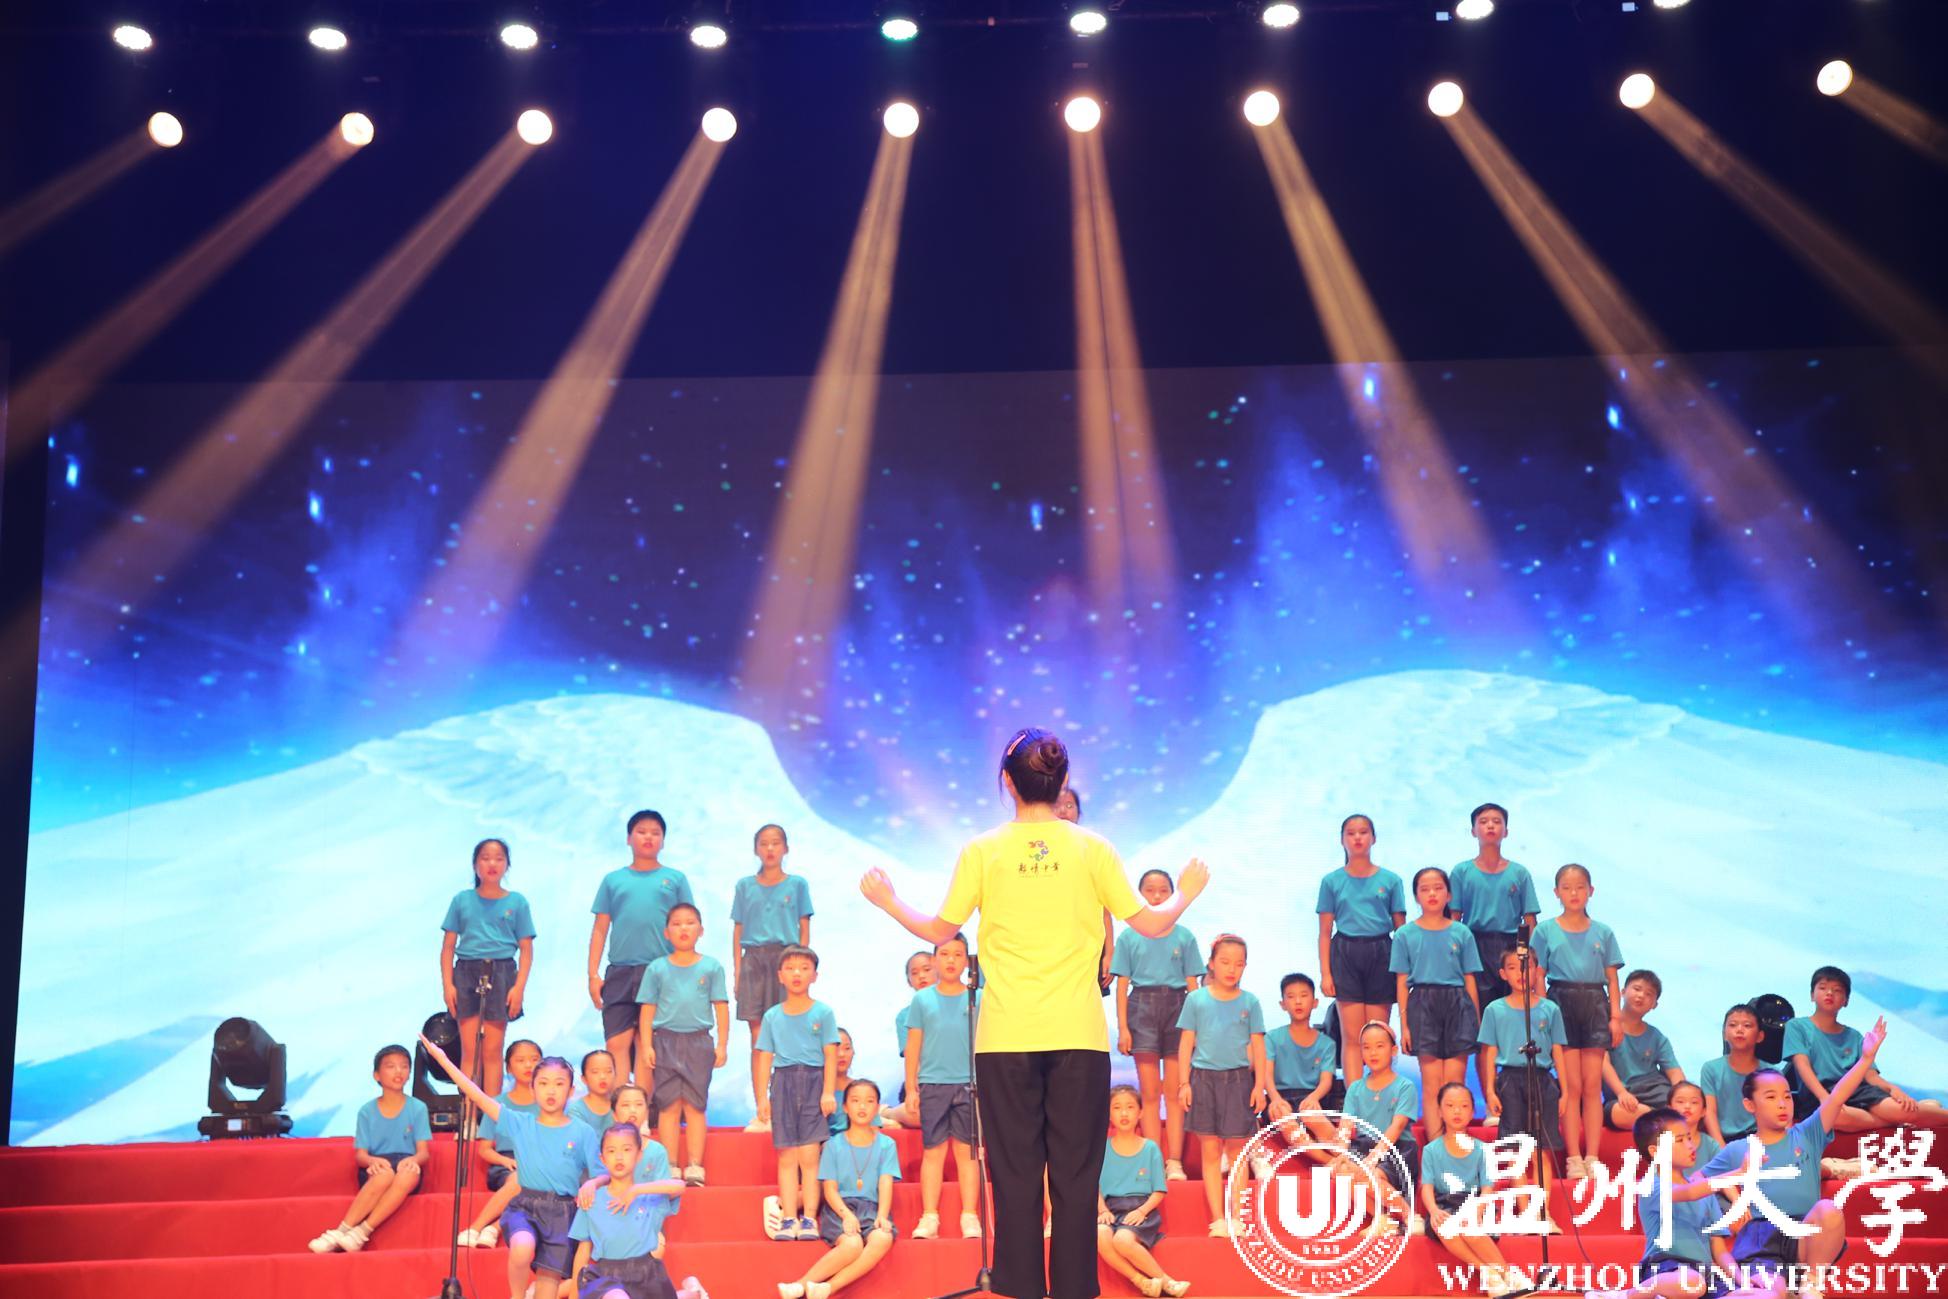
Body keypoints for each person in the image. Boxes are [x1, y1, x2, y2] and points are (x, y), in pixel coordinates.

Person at [859, 725, 1210, 1299]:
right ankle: (1072, 1288)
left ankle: (1019, 1286)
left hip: (1006, 1038)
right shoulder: (1092, 848)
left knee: (1016, 1175)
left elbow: (940, 929)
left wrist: (887, 899)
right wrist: (1187, 890)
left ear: (1007, 781)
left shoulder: (983, 849)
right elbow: (1149, 923)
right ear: (1062, 779)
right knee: (1076, 1176)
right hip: (1078, 1037)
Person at [1668, 1019, 1891, 1298]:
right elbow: (1698, 1179)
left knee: (1829, 1210)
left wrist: (1865, 1060)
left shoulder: (1807, 1134)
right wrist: (1732, 1201)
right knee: (1770, 1292)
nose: (1783, 1104)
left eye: (1787, 1096)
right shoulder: (1738, 1149)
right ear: (1750, 1105)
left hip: (1803, 1235)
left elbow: (1835, 1098)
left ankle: (1810, 1283)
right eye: (1771, 1097)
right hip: (1761, 1239)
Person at [422, 1035, 602, 1299]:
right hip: (525, 1206)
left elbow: (602, 1174)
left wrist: (592, 1183)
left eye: (559, 1084)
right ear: (533, 1089)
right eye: (543, 1083)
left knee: (548, 1285)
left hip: (563, 1212)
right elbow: (477, 1095)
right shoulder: (520, 1123)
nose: (551, 1091)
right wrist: (443, 1060)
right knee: (522, 1248)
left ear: (571, 1090)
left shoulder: (583, 1131)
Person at [1583, 1107, 1750, 1299]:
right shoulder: (1651, 1185)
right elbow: (1689, 1193)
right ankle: (1626, 1295)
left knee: (1758, 1295)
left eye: (1689, 1138)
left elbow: (1719, 1250)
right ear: (1655, 1151)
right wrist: (1739, 1173)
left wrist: (1743, 1282)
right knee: (1691, 1283)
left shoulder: (1705, 1192)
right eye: (1680, 1140)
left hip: (1704, 1274)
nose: (1690, 1146)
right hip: (1664, 1267)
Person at [1530, 863, 1623, 1180]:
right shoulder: (1545, 931)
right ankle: (1573, 1157)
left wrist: (1615, 1017)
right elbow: (1538, 975)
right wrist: (1543, 1012)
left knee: (1592, 1086)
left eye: (1580, 887)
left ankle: (1592, 1156)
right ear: (1556, 892)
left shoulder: (1603, 932)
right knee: (1571, 1086)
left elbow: (1612, 978)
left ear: (1591, 891)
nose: (1574, 893)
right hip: (1560, 1002)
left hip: (1595, 1003)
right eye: (1567, 888)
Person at [590, 810, 696, 1086]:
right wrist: (592, 974)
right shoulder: (613, 880)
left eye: (655, 833)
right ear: (629, 838)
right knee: (616, 1042)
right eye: (641, 831)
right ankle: (621, 1108)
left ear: (663, 841)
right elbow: (600, 928)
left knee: (647, 1044)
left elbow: (688, 926)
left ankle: (643, 1109)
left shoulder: (675, 879)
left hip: (661, 971)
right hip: (620, 970)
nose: (648, 837)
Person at [1110, 868, 1202, 1181]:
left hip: (1178, 1007)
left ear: (1173, 895)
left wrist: (1196, 1028)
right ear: (1139, 896)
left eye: (1164, 890)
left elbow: (1193, 986)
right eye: (1150, 890)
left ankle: (1174, 1162)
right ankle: (1153, 1162)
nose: (1157, 896)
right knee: (1150, 1093)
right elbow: (1122, 985)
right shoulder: (1129, 936)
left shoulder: (1184, 936)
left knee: (1175, 1092)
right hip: (1142, 1008)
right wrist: (1123, 1028)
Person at [1175, 933, 1268, 1237]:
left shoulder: (1250, 1002)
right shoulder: (1196, 1000)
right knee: (1211, 1151)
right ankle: (1218, 1219)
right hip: (1203, 1080)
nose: (1232, 969)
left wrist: (1259, 1086)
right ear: (1212, 964)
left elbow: (1259, 1047)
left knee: (1238, 1151)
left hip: (1238, 1080)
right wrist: (1184, 1083)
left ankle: (1237, 1217)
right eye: (1225, 962)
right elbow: (1186, 1044)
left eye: (1239, 964)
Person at [1785, 965, 1948, 1133]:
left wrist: (1893, 1089)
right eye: (1823, 988)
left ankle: (1910, 1116)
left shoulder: (1854, 1036)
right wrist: (1824, 1098)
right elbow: (1802, 1066)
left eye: (1837, 990)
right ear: (1812, 995)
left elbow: (1870, 1076)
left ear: (1846, 1001)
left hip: (1858, 1091)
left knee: (1901, 1110)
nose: (1829, 993)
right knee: (1832, 1115)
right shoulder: (1797, 1027)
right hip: (1818, 1094)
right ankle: (1896, 1121)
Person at [777, 1079, 901, 1299]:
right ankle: (801, 1284)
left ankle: (827, 1288)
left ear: (877, 1107)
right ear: (845, 1107)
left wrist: (882, 1215)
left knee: (882, 1237)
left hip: (872, 1208)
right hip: (839, 1208)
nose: (862, 1106)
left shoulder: (887, 1145)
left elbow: (885, 1182)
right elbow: (830, 1188)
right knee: (852, 1244)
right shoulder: (833, 1145)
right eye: (855, 1100)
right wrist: (846, 1215)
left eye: (869, 1101)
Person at [638, 901, 730, 1185]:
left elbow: (721, 1006)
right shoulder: (657, 968)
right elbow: (648, 1009)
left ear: (701, 930)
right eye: (676, 924)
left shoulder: (711, 967)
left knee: (695, 1105)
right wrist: (647, 1045)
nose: (683, 929)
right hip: (665, 1040)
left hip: (698, 1042)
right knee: (668, 1105)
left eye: (690, 923)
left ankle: (694, 1166)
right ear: (666, 932)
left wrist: (722, 1044)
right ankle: (670, 1165)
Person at [1477, 944, 1565, 1231]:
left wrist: (1564, 1090)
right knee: (1517, 1150)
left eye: (1526, 967)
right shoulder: (1494, 1010)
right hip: (1510, 1080)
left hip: (1542, 1079)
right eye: (1512, 968)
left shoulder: (1550, 1009)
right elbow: (1489, 1052)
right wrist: (1490, 1091)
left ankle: (1543, 1212)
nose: (1520, 973)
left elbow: (1558, 1050)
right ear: (1503, 973)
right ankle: (1526, 1212)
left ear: (1537, 970)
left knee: (1541, 1150)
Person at [308, 1045, 431, 1253]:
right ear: (377, 1075)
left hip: (406, 1164)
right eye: (390, 1066)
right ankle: (340, 1231)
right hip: (377, 1166)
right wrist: (372, 1161)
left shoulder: (418, 1107)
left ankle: (361, 1232)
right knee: (384, 1175)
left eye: (404, 1066)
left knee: (407, 1175)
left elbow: (423, 1152)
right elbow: (361, 1155)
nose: (398, 1071)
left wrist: (413, 1160)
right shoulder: (367, 1111)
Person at [755, 944, 841, 1241]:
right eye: (790, 968)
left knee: (809, 1156)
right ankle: (789, 1217)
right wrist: (761, 1098)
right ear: (780, 975)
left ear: (814, 975)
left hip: (814, 1082)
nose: (797, 974)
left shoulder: (823, 1012)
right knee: (787, 1156)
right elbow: (764, 1057)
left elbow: (830, 1054)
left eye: (804, 968)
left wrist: (828, 1092)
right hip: (783, 1083)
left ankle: (809, 1219)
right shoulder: (772, 1016)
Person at [1391, 866, 1482, 1143]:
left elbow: (1469, 978)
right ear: (1416, 897)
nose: (1432, 894)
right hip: (1422, 1005)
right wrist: (1405, 1026)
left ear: (1449, 895)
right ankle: (1435, 1150)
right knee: (1431, 1085)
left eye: (1438, 888)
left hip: (1457, 1004)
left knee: (1455, 1084)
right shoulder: (1405, 934)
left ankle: (1456, 1147)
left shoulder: (1462, 933)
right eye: (1425, 889)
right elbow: (1402, 982)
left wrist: (1475, 1020)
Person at [441, 837, 535, 1103]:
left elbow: (526, 950)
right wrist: (448, 985)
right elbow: (448, 947)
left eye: (498, 858)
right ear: (475, 865)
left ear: (507, 865)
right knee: (470, 1051)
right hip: (466, 971)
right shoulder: (462, 900)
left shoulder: (517, 902)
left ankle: (491, 1116)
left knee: (492, 1052)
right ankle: (468, 1112)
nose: (492, 864)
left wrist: (518, 988)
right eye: (485, 858)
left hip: (502, 972)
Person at [901, 931, 982, 1240]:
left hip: (970, 1084)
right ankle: (929, 1216)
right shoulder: (922, 1000)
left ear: (967, 961)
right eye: (944, 954)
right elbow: (913, 1046)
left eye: (958, 955)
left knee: (967, 1153)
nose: (951, 961)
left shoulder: (977, 997)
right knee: (933, 1151)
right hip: (933, 1084)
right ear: (934, 960)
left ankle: (970, 1215)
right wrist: (912, 1088)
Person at [733, 824, 813, 1133]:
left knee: (789, 1032)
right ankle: (762, 1110)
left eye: (776, 843)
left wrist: (801, 964)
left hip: (787, 959)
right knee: (758, 1036)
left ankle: (789, 1106)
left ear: (786, 848)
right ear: (756, 849)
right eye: (764, 843)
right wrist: (737, 970)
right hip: (753, 960)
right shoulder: (744, 886)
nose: (770, 849)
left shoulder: (797, 885)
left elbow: (804, 927)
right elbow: (738, 930)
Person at [1316, 813, 1405, 1089]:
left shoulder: (1391, 880)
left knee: (1378, 1036)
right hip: (1345, 953)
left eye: (1363, 832)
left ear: (1373, 838)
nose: (1357, 838)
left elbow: (1402, 932)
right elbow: (1324, 932)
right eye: (1351, 833)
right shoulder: (1331, 881)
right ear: (1342, 840)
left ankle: (1381, 1097)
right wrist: (1326, 973)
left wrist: (1404, 973)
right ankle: (1355, 1101)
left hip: (1382, 953)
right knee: (1353, 1037)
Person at [568, 1122, 689, 1299]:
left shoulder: (648, 1197)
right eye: (611, 1151)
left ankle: (693, 1292)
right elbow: (583, 1251)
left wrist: (635, 1190)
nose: (619, 1157)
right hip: (606, 1277)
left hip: (647, 1276)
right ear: (602, 1158)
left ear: (639, 1155)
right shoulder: (592, 1198)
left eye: (626, 1150)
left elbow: (679, 1186)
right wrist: (574, 1294)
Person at [1420, 1082, 1517, 1299]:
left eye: (1464, 1106)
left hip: (1476, 1202)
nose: (1457, 1111)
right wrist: (1433, 1210)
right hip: (1445, 1204)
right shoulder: (1431, 1150)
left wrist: (1478, 1210)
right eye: (1450, 1105)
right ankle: (1489, 1273)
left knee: (1468, 1226)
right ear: (1439, 1111)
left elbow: (1488, 1187)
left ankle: (1507, 1274)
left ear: (1473, 1112)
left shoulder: (1483, 1149)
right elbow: (1426, 1187)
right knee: (1445, 1225)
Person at [1096, 1084, 1191, 1298]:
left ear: (1140, 1113)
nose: (1124, 1113)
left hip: (1140, 1209)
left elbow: (1159, 1190)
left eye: (1130, 1107)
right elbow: (1094, 1187)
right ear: (1108, 1114)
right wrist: (1102, 1210)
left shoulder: (1149, 1148)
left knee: (1122, 1240)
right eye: (1117, 1107)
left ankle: (1166, 1281)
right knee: (1100, 1234)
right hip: (1110, 1208)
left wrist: (1141, 1211)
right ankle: (1141, 1281)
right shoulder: (1101, 1148)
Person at [1332, 1021, 1418, 1237]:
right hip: (1364, 1145)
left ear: (1393, 1050)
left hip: (1396, 1148)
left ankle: (1410, 1217)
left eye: (1379, 1046)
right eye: (1366, 1047)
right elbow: (1346, 1125)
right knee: (1341, 1172)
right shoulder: (1355, 1088)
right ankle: (1383, 1219)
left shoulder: (1405, 1086)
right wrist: (1341, 1154)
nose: (1373, 1052)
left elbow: (1397, 1127)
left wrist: (1372, 1160)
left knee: (1371, 1175)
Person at [1448, 803, 1538, 1004]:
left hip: (1512, 945)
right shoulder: (1461, 872)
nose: (1490, 826)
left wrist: (1530, 956)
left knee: (1514, 1002)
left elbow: (1530, 919)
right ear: (1473, 831)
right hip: (1475, 943)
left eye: (1497, 822)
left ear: (1506, 831)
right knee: (1477, 1003)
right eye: (1483, 822)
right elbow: (1454, 918)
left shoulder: (1519, 873)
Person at [459, 1037, 543, 1248]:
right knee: (521, 1179)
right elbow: (484, 1149)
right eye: (521, 1060)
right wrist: (506, 1162)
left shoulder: (548, 1103)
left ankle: (494, 1228)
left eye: (534, 1059)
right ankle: (476, 1227)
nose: (528, 1065)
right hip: (507, 1163)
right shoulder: (497, 1104)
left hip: (541, 1164)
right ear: (508, 1067)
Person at [1261, 972, 1342, 1174]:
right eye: (1291, 996)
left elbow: (1326, 1080)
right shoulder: (1272, 1038)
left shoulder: (1326, 1043)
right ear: (1282, 1004)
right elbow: (1266, 1074)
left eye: (1304, 995)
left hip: (1312, 1098)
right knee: (1283, 1114)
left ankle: (1346, 1156)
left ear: (1315, 1002)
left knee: (1311, 1114)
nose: (1298, 1001)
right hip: (1281, 1097)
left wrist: (1314, 1097)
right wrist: (1275, 1099)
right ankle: (1330, 1162)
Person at [1604, 970, 1684, 1132]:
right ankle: (1664, 1122)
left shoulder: (1656, 1037)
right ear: (1622, 992)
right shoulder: (1607, 1028)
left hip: (1657, 1092)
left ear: (1654, 1004)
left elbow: (1675, 1072)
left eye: (1649, 994)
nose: (1641, 996)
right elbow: (1602, 1064)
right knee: (1618, 1113)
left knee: (1686, 1108)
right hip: (1624, 1096)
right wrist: (1621, 1093)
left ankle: (1661, 1122)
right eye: (1637, 989)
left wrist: (1682, 1097)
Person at [1053, 785, 1114, 995]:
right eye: (1057, 805)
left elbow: (1105, 911)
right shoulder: (1039, 850)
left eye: (1070, 806)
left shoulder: (1093, 849)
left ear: (1079, 813)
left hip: (1087, 948)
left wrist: (1109, 953)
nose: (1063, 810)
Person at [1699, 1003, 1762, 1146]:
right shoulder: (1711, 1069)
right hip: (1724, 1140)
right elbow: (1710, 1112)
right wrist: (1721, 1148)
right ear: (1724, 1034)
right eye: (1733, 1025)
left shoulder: (1771, 1073)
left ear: (1760, 1036)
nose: (1739, 1030)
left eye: (1747, 1025)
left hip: (1760, 1140)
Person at [893, 950, 936, 1107]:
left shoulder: (960, 1005)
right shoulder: (904, 1017)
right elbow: (912, 1057)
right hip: (925, 1082)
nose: (921, 976)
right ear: (909, 981)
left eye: (927, 969)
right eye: (915, 973)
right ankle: (886, 1112)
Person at [1668, 1081, 1722, 1169]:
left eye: (1694, 1102)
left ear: (1703, 1111)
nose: (1687, 1106)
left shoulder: (1711, 1145)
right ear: (1669, 1109)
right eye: (1680, 1102)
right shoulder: (1662, 1142)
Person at [569, 1050, 619, 1136]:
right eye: (595, 1072)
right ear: (584, 1079)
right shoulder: (576, 1110)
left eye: (608, 1071)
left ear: (615, 1075)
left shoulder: (620, 1105)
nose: (603, 1076)